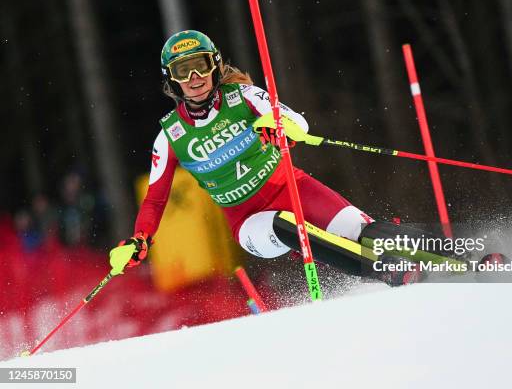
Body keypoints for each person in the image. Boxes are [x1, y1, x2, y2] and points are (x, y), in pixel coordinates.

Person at [114, 30, 445, 286]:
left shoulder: (243, 97)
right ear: (171, 79)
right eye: (182, 71)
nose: (193, 79)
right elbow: (155, 200)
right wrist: (140, 240)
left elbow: (298, 123)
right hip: (248, 222)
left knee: (362, 230)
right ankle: (386, 272)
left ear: (214, 65)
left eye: (199, 66)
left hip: (292, 187)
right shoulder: (169, 136)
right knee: (285, 225)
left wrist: (278, 128)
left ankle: (460, 256)